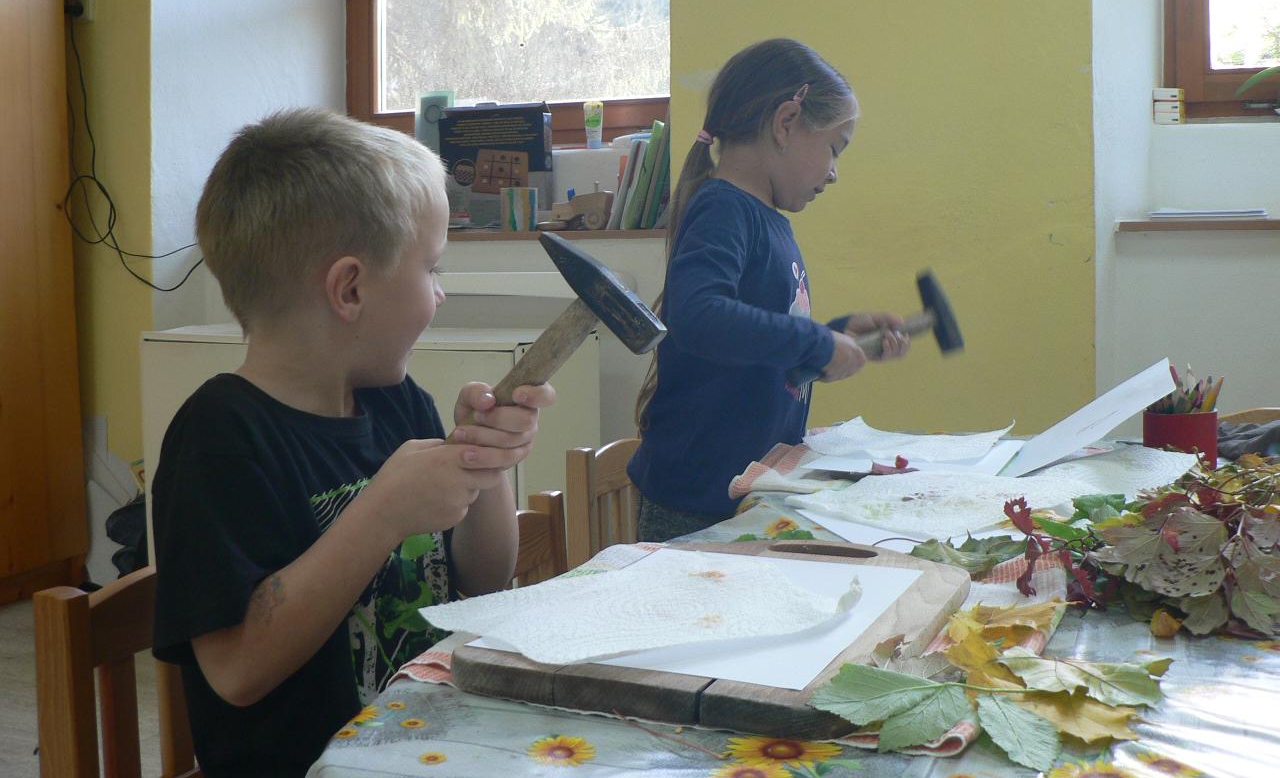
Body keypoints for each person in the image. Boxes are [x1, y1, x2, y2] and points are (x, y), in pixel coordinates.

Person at [151, 108, 555, 777]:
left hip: (426, 750)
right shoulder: (219, 438)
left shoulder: (399, 403)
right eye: (431, 268)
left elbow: (483, 579)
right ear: (350, 288)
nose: (440, 294)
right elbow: (235, 671)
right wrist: (382, 512)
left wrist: (483, 460)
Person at [628, 38, 910, 542]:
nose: (834, 173)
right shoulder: (723, 208)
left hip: (748, 490)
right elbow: (699, 316)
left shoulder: (769, 222)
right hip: (697, 500)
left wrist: (837, 338)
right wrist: (816, 342)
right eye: (834, 149)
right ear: (786, 122)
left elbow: (757, 348)